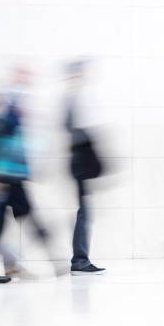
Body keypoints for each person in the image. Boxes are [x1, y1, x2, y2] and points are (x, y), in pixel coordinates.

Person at [0, 66, 49, 283]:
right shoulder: (5, 108)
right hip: (5, 175)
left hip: (10, 174)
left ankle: (5, 265)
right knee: (6, 221)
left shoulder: (11, 107)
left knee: (5, 221)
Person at [64, 60, 105, 275]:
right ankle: (79, 260)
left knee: (85, 211)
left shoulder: (73, 99)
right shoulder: (74, 99)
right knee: (85, 212)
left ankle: (80, 259)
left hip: (79, 163)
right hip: (80, 164)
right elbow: (77, 131)